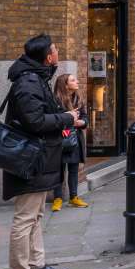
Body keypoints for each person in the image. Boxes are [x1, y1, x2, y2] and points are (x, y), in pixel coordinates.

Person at [3, 34, 79, 269]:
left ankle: (36, 263)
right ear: (48, 57)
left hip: (40, 156)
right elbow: (35, 122)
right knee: (25, 217)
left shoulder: (37, 79)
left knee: (35, 214)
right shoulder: (28, 83)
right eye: (56, 50)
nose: (58, 53)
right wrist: (66, 118)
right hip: (30, 158)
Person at [50, 73, 89, 211]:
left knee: (73, 169)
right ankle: (57, 199)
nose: (77, 81)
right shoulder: (55, 100)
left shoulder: (78, 99)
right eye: (73, 80)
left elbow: (85, 118)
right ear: (65, 85)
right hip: (59, 138)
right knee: (58, 170)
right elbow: (51, 119)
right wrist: (67, 119)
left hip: (75, 138)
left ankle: (74, 197)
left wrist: (81, 122)